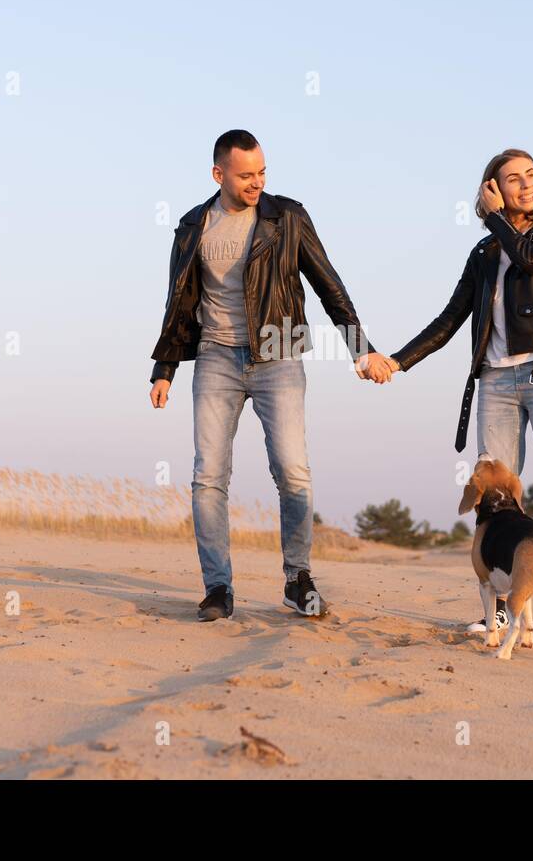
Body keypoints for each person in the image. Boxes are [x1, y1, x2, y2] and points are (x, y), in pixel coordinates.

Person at [358, 149, 533, 631]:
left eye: (532, 176)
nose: (526, 185)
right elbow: (450, 319)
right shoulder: (483, 254)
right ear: (491, 189)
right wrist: (397, 360)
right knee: (493, 494)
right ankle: (501, 601)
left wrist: (497, 219)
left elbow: (531, 258)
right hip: (495, 380)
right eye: (512, 179)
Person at [148, 129, 391, 622]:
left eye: (262, 172)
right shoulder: (193, 226)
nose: (256, 182)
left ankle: (297, 579)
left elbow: (329, 284)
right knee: (208, 477)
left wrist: (360, 350)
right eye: (245, 175)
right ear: (219, 175)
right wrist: (165, 368)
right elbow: (180, 302)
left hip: (278, 354)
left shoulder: (287, 218)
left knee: (292, 470)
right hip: (216, 355)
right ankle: (218, 589)